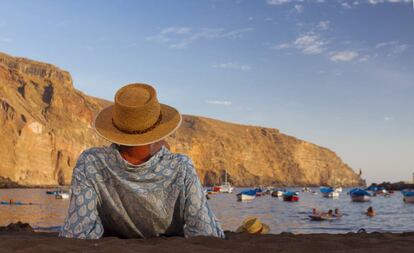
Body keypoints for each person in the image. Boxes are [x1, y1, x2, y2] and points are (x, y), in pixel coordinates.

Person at [59, 83, 224, 239]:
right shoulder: (180, 166)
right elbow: (205, 230)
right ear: (158, 131)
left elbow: (78, 231)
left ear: (116, 128)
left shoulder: (91, 163)